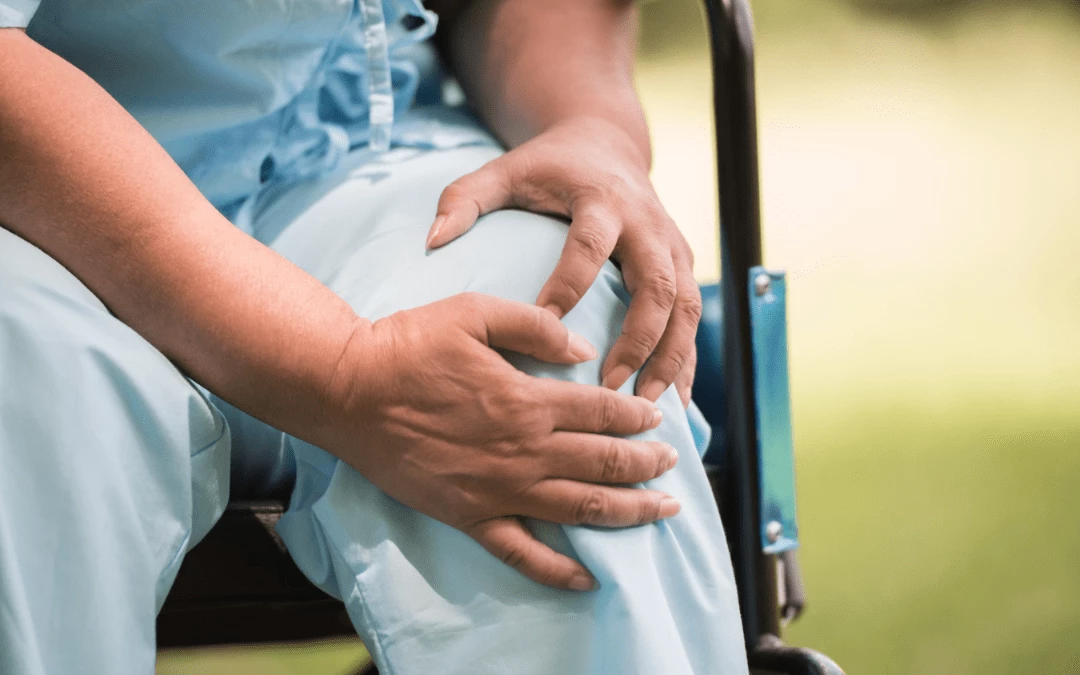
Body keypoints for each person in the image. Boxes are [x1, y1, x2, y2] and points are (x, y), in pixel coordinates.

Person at [0, 0, 749, 672]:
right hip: (44, 199)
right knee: (26, 392)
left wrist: (590, 122)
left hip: (362, 147)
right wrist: (341, 369)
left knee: (551, 334)